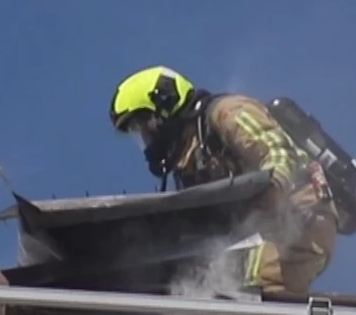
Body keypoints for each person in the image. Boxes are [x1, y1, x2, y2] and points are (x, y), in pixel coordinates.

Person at [108, 65, 341, 296]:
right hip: (257, 234)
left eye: (144, 124)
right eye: (138, 133)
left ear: (166, 103)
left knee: (260, 288)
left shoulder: (228, 112)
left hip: (302, 220)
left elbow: (277, 150)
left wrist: (273, 188)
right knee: (205, 283)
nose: (147, 139)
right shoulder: (188, 163)